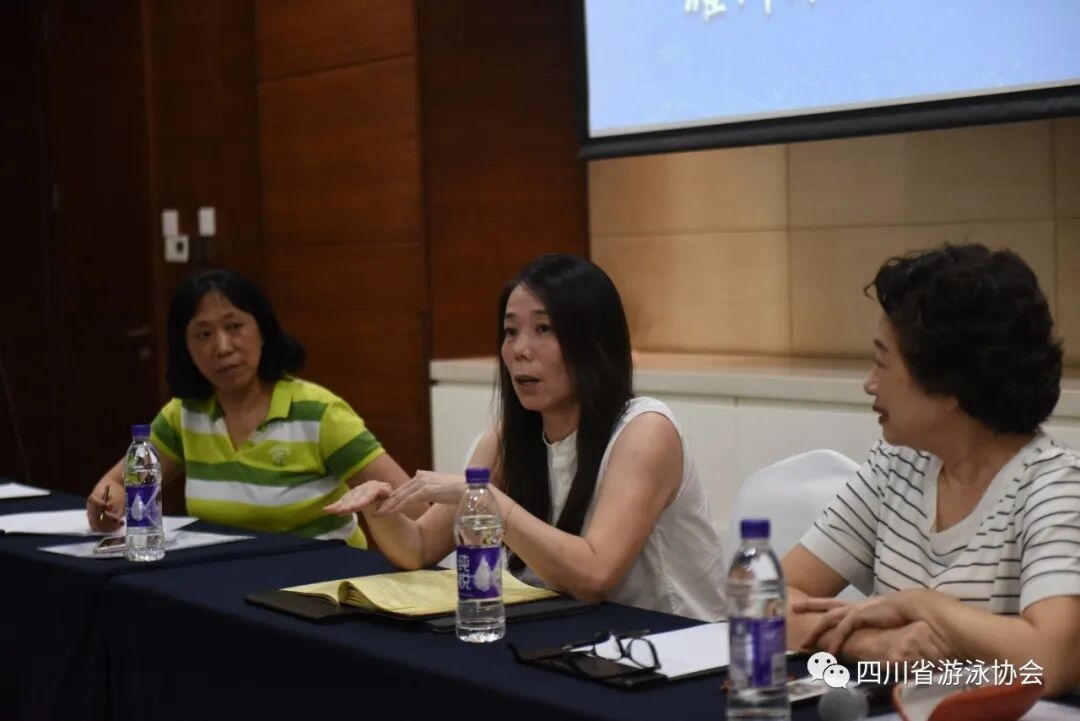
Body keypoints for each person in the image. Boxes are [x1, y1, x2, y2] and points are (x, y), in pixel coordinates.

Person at [325, 254, 726, 620]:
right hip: (577, 635)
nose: (520, 350)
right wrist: (380, 510)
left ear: (594, 341)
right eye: (510, 331)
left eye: (544, 329)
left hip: (672, 643)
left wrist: (488, 500)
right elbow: (418, 548)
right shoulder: (506, 440)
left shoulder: (645, 430)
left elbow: (595, 576)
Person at [782, 244, 1080, 696]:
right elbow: (764, 597)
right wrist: (874, 644)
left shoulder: (1055, 486)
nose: (869, 383)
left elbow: (1051, 664)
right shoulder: (898, 463)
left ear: (950, 385)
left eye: (882, 362)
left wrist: (924, 607)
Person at [86, 269, 422, 548]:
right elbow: (116, 484)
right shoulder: (184, 415)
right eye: (203, 335)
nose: (222, 347)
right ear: (185, 348)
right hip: (223, 579)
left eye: (234, 327)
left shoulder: (318, 413)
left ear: (263, 331)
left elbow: (417, 507)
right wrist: (106, 504)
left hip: (318, 584)